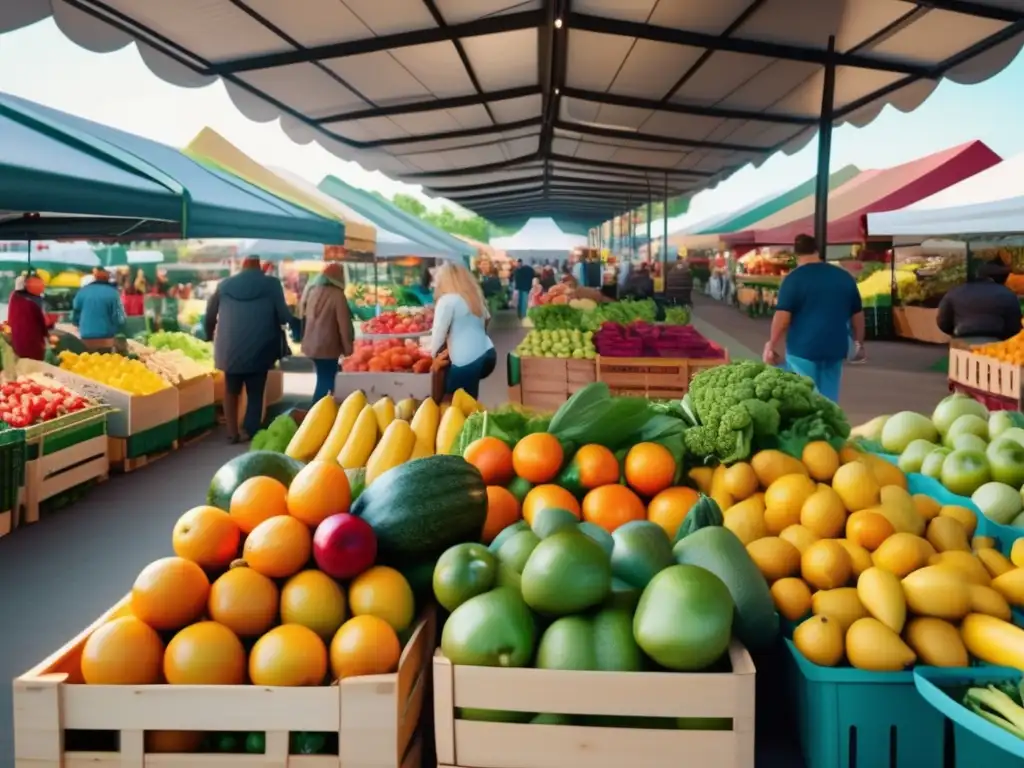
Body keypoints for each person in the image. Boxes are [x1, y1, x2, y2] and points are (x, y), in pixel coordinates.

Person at [764, 234, 865, 403]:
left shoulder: (793, 279)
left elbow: (783, 318)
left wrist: (771, 344)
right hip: (835, 347)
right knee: (829, 400)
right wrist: (859, 343)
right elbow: (858, 316)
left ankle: (812, 426)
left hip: (803, 349)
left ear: (796, 255)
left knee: (806, 399)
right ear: (817, 251)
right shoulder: (843, 277)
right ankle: (829, 427)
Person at [204, 256, 291, 443]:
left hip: (230, 346)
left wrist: (208, 335)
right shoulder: (271, 284)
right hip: (261, 346)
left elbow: (210, 314)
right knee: (255, 392)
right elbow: (284, 316)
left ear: (242, 266)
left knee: (231, 390)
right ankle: (250, 431)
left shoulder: (225, 285)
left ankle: (232, 432)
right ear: (259, 266)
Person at [430, 262, 496, 400]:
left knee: (453, 404)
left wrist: (432, 359)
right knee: (469, 400)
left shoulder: (447, 300)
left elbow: (438, 335)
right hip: (487, 353)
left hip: (465, 359)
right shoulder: (473, 298)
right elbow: (487, 319)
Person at [299, 262, 354, 403]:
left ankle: (318, 409)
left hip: (312, 345)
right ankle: (317, 411)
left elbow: (303, 316)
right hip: (328, 346)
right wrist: (349, 349)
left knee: (322, 377)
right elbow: (344, 325)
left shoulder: (313, 291)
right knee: (327, 380)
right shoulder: (337, 295)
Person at [937, 260, 1022, 343]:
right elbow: (1014, 325)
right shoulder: (1008, 294)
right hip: (995, 339)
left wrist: (955, 332)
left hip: (961, 337)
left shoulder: (955, 292)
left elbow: (943, 321)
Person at [72, 268, 125, 349]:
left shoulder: (82, 292)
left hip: (85, 336)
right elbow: (119, 318)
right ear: (108, 278)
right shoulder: (113, 293)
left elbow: (74, 317)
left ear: (95, 278)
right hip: (106, 338)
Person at [7, 274, 50, 360]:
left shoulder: (13, 296)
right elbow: (41, 322)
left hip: (16, 340)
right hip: (32, 342)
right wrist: (47, 334)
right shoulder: (34, 300)